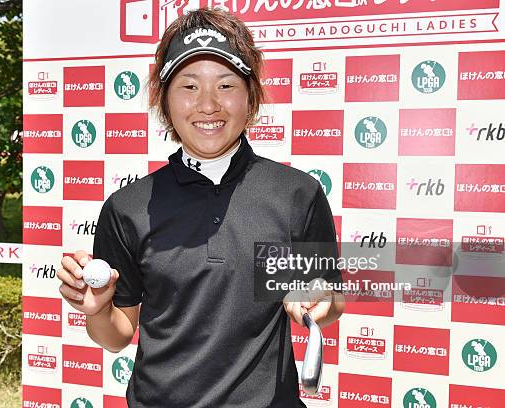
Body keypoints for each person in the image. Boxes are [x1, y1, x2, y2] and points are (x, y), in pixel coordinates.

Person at [57, 8, 344, 407]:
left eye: (226, 85)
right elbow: (118, 334)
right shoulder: (129, 208)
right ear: (164, 98)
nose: (208, 105)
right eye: (189, 87)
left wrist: (317, 301)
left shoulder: (295, 194)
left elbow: (328, 302)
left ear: (251, 95)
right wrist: (97, 311)